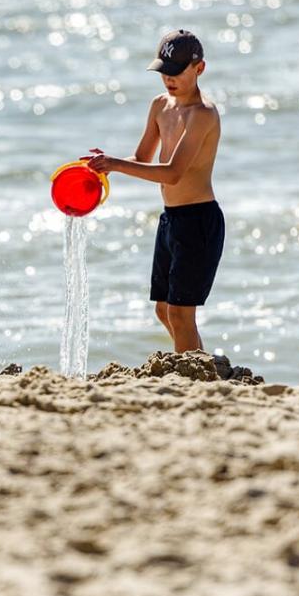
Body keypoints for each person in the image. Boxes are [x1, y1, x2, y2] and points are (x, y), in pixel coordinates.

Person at [88, 29, 224, 353]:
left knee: (180, 313)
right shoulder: (159, 106)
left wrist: (116, 164)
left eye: (177, 72)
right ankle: (199, 364)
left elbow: (174, 174)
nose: (169, 79)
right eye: (164, 72)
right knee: (164, 310)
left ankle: (191, 381)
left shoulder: (203, 114)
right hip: (170, 220)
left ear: (199, 69)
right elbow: (141, 158)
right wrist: (104, 164)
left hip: (199, 220)